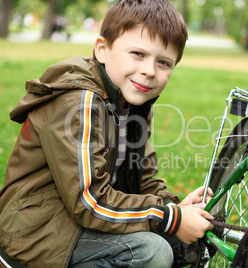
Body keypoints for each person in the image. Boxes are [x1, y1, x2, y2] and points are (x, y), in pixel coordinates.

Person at [0, 0, 214, 267]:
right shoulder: (79, 104)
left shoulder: (134, 104)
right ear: (103, 50)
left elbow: (142, 178)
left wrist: (177, 207)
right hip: (37, 233)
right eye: (138, 53)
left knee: (185, 241)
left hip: (78, 222)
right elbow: (88, 199)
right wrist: (171, 218)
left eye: (163, 62)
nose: (149, 70)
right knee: (152, 252)